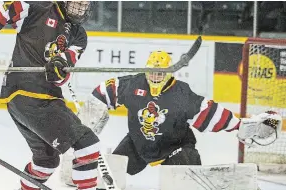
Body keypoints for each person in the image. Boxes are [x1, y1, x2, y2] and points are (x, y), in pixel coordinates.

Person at [0, 1, 115, 190]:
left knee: (46, 159)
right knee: (87, 144)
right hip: (30, 95)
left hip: (31, 99)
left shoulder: (79, 35)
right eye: (76, 4)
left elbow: (64, 71)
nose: (80, 10)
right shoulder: (36, 9)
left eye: (84, 5)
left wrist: (59, 68)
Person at [75, 50, 282, 176]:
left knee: (183, 173)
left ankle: (191, 167)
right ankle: (78, 171)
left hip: (174, 147)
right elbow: (104, 92)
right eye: (152, 71)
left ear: (169, 73)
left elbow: (209, 113)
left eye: (161, 72)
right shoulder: (133, 84)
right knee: (110, 172)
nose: (156, 76)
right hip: (138, 144)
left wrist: (239, 125)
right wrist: (83, 129)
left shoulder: (182, 93)